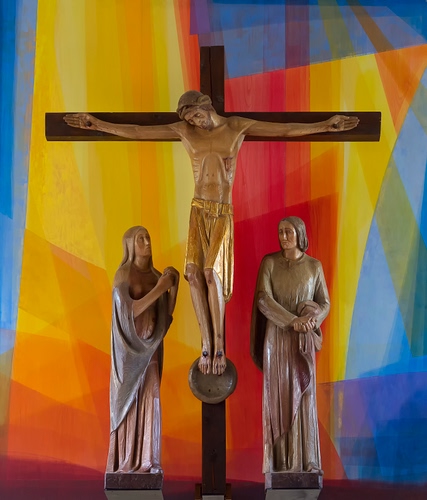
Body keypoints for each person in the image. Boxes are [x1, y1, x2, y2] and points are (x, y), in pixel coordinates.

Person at [64, 91, 354, 376]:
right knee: (192, 273)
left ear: (207, 106)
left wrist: (325, 126)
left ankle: (219, 345)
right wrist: (98, 124)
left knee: (211, 274)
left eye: (197, 116)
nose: (196, 123)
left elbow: (285, 129)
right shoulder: (185, 132)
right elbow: (139, 131)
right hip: (198, 210)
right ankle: (205, 344)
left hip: (222, 212)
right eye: (190, 120)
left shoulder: (236, 127)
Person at [250, 216, 330, 474]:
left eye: (288, 232)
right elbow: (263, 300)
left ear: (300, 234)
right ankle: (279, 462)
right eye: (281, 232)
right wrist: (292, 321)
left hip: (302, 341)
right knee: (278, 397)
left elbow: (325, 303)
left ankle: (307, 461)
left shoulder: (314, 266)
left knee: (304, 395)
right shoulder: (270, 263)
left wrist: (312, 318)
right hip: (276, 338)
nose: (283, 237)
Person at [107, 226, 179, 474]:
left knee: (152, 398)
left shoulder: (157, 275)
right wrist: (160, 288)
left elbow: (164, 319)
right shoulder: (123, 274)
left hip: (150, 351)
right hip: (128, 352)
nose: (147, 242)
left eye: (148, 237)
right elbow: (128, 312)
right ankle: (125, 462)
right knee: (129, 401)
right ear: (130, 245)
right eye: (141, 239)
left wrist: (173, 288)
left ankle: (149, 461)